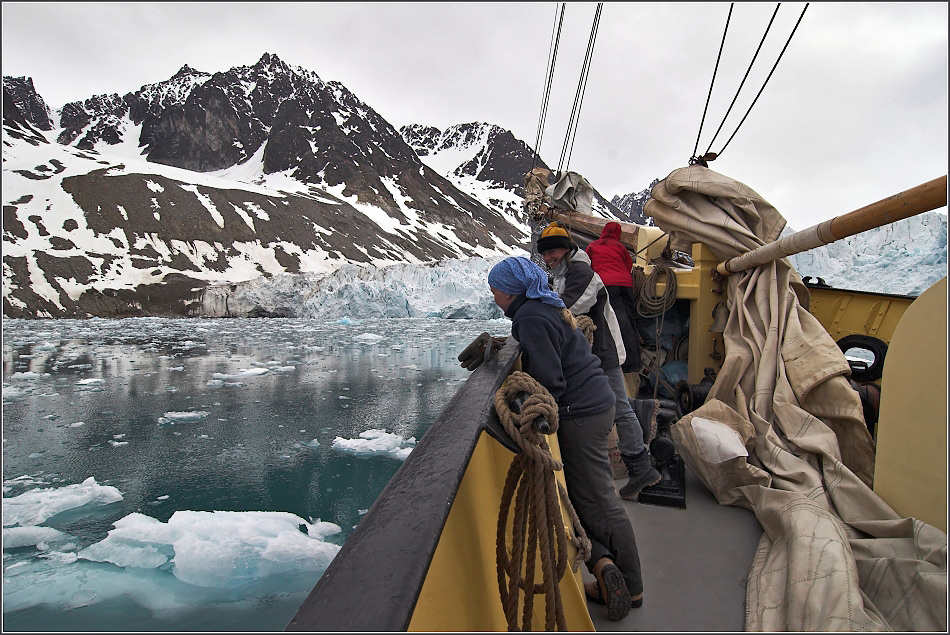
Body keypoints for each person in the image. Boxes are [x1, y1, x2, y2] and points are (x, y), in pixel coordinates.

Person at [488, 256, 645, 619]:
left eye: (495, 288)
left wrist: (523, 402)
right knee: (584, 495)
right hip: (593, 405)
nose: (493, 295)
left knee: (598, 499)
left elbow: (549, 381)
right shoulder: (542, 307)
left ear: (511, 290)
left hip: (583, 414)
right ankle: (606, 568)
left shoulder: (530, 318)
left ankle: (632, 588)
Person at [537, 223, 661, 499]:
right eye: (544, 254)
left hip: (602, 352)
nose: (548, 258)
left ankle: (641, 468)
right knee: (611, 405)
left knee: (618, 406)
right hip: (589, 353)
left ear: (568, 250)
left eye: (553, 251)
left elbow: (568, 308)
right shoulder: (563, 273)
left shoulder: (581, 272)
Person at [585, 221, 642, 377]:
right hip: (626, 285)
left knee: (612, 323)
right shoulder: (620, 247)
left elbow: (588, 266)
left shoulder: (593, 246)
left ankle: (624, 362)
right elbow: (628, 265)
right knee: (629, 321)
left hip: (607, 285)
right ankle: (635, 360)